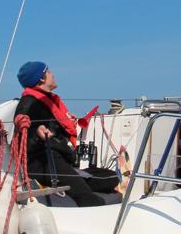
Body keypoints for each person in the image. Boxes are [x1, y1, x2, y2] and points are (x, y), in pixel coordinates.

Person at [14, 61, 119, 207]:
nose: (52, 74)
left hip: (60, 161)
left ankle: (82, 184)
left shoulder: (46, 100)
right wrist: (37, 129)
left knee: (112, 177)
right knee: (89, 199)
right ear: (42, 78)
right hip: (44, 162)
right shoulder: (30, 102)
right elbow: (22, 118)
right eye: (48, 71)